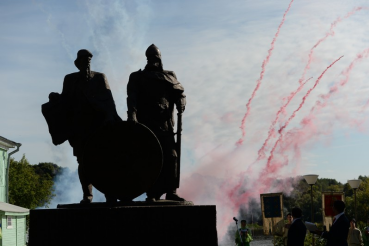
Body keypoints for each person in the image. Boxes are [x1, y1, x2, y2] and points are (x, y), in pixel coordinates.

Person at [48, 49, 121, 203]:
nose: (86, 62)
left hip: (99, 126)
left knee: (105, 160)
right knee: (83, 161)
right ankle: (87, 195)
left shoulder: (100, 77)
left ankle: (110, 193)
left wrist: (110, 116)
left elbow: (109, 100)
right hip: (79, 127)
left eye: (88, 60)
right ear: (78, 63)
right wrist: (55, 98)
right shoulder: (70, 79)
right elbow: (65, 100)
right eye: (83, 60)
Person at [127, 44, 186, 202]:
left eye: (156, 58)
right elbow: (131, 99)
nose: (153, 61)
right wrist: (132, 115)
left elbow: (180, 93)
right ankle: (152, 193)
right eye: (150, 58)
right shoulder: (137, 77)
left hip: (165, 125)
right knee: (150, 158)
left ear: (160, 59)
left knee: (172, 157)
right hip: (146, 125)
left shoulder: (169, 75)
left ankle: (171, 191)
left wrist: (181, 102)